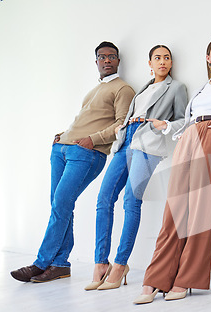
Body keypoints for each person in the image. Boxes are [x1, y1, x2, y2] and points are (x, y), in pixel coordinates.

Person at [133, 37, 211, 304]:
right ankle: (156, 279)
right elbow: (187, 121)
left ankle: (185, 280)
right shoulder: (200, 89)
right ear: (208, 58)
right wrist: (168, 126)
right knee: (173, 211)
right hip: (188, 140)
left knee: (200, 212)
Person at [10, 41, 135, 283]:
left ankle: (40, 263)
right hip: (63, 149)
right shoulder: (94, 89)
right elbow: (86, 118)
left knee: (60, 204)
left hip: (87, 153)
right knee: (60, 206)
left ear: (118, 61)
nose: (107, 60)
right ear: (96, 61)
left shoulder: (123, 89)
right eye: (102, 57)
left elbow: (121, 125)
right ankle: (60, 265)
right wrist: (64, 134)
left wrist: (92, 140)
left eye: (112, 57)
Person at [84, 45, 188, 291]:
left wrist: (163, 125)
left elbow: (183, 120)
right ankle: (101, 262)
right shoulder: (143, 88)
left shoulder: (176, 88)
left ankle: (120, 265)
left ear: (171, 63)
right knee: (104, 198)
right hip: (125, 141)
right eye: (157, 58)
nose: (162, 62)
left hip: (147, 144)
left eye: (167, 58)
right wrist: (123, 130)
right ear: (149, 63)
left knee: (131, 201)